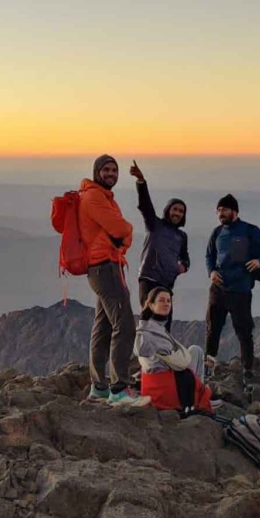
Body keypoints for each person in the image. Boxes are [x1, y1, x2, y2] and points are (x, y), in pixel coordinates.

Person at [78, 155, 148, 407]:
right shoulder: (94, 197)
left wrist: (121, 234)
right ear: (96, 172)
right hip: (104, 268)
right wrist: (127, 231)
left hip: (104, 266)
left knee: (104, 326)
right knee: (125, 324)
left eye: (114, 170)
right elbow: (119, 229)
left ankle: (98, 387)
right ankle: (118, 389)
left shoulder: (102, 196)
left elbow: (117, 231)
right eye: (106, 169)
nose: (111, 174)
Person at [204, 194, 260, 378]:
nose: (221, 213)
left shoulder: (249, 230)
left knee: (244, 331)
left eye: (225, 210)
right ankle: (207, 365)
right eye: (219, 210)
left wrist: (259, 262)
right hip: (218, 289)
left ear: (234, 211)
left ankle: (248, 369)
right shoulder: (217, 232)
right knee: (213, 328)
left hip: (241, 289)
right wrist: (211, 272)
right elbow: (209, 255)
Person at [135, 287, 213, 414]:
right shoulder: (147, 329)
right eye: (161, 300)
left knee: (196, 351)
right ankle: (199, 398)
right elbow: (140, 349)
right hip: (166, 385)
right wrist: (142, 323)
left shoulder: (158, 327)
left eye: (168, 301)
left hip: (167, 378)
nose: (166, 304)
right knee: (196, 352)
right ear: (150, 304)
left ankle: (200, 395)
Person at [129, 161, 188, 330]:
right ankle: (144, 354)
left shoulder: (182, 236)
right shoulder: (155, 225)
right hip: (149, 279)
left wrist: (182, 267)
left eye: (181, 211)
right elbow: (145, 206)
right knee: (148, 319)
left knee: (165, 322)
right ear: (168, 210)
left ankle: (162, 355)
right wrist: (141, 181)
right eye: (174, 209)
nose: (177, 213)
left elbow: (186, 258)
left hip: (167, 284)